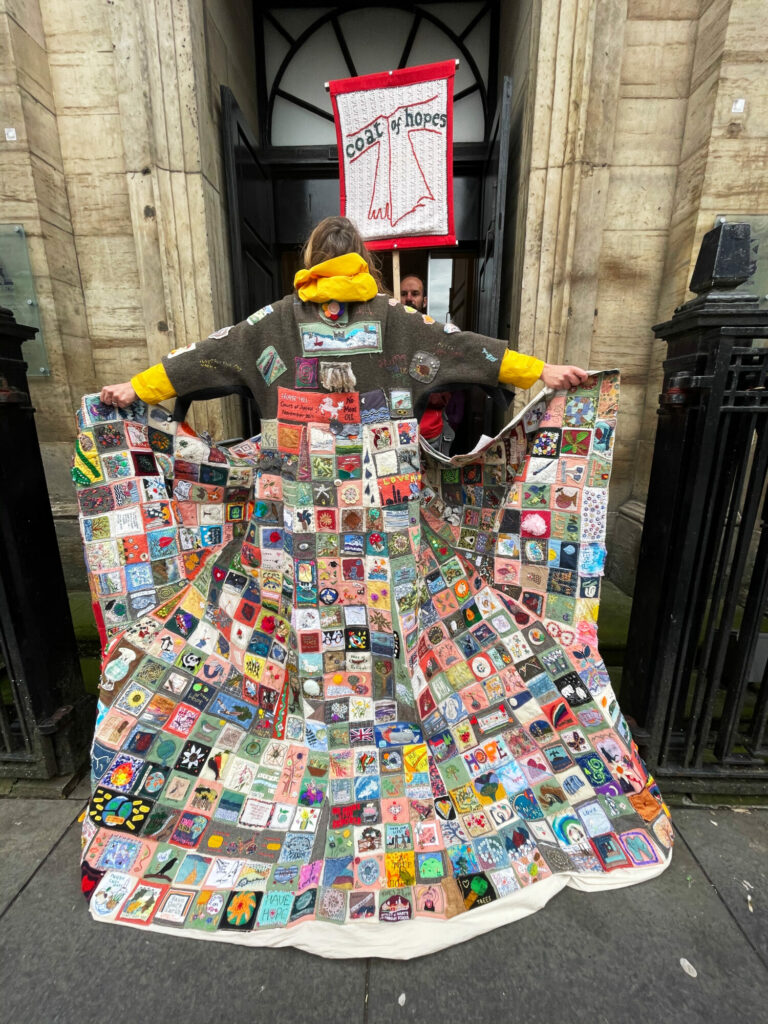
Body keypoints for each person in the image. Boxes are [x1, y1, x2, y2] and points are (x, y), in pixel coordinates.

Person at [81, 216, 672, 955]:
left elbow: (196, 362)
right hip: (386, 533)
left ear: (309, 263)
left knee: (298, 637)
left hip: (297, 533)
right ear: (362, 262)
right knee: (397, 632)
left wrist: (129, 389)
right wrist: (544, 373)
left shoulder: (274, 324)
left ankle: (306, 745)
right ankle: (402, 729)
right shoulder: (397, 323)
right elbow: (472, 353)